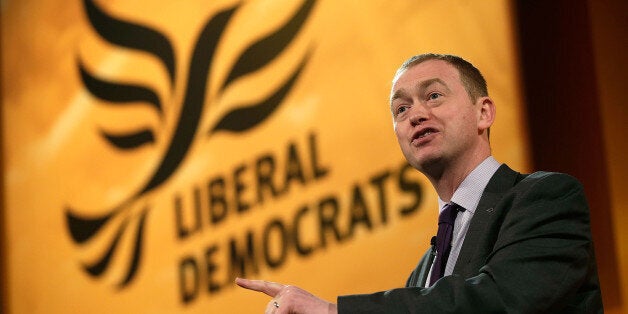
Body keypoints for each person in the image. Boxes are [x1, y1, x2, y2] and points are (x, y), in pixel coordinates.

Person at [236, 53, 603, 313]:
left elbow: (499, 299)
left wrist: (334, 311)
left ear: (483, 112)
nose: (416, 115)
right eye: (401, 109)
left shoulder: (546, 197)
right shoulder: (423, 273)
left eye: (433, 96)